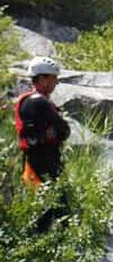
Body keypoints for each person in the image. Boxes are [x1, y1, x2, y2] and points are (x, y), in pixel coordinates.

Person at [14, 56, 71, 231]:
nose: (56, 83)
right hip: (42, 160)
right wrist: (55, 131)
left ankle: (46, 245)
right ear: (42, 79)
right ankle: (48, 246)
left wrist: (56, 131)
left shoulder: (38, 101)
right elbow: (63, 129)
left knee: (51, 206)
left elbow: (61, 131)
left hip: (42, 158)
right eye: (54, 78)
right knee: (56, 207)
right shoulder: (37, 101)